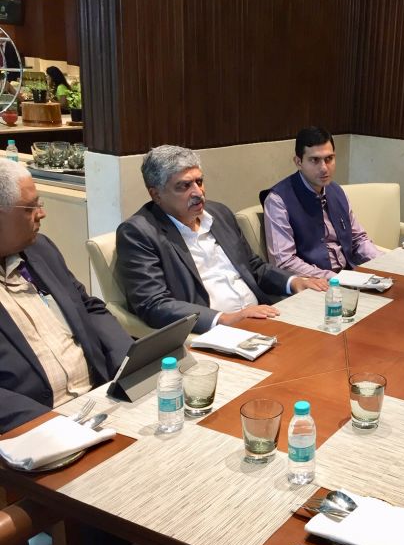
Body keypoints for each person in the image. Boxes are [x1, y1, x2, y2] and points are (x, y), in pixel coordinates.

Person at [116, 145, 326, 334]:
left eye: (199, 181)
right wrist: (224, 319)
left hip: (263, 317)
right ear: (156, 194)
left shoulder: (219, 214)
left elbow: (253, 267)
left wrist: (294, 281)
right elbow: (154, 304)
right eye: (184, 186)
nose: (198, 193)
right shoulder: (138, 233)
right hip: (211, 334)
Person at [0, 160, 132, 433]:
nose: (41, 213)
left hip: (97, 400)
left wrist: (127, 361)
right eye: (30, 207)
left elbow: (88, 307)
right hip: (34, 425)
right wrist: (51, 424)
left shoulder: (40, 250)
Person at [261, 126, 381, 279]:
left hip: (351, 275)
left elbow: (358, 239)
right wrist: (334, 279)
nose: (324, 168)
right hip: (314, 285)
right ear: (298, 162)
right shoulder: (278, 200)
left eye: (329, 159)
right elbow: (284, 262)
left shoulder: (336, 190)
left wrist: (384, 261)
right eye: (315, 160)